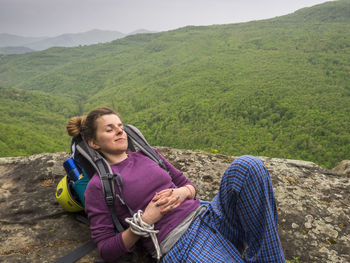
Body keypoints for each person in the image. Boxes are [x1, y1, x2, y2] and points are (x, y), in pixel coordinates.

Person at [66, 106, 285, 263]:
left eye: (121, 126)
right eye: (110, 129)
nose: (120, 131)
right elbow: (106, 248)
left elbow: (187, 184)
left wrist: (182, 193)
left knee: (248, 166)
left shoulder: (147, 154)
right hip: (180, 241)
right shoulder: (99, 186)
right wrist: (144, 221)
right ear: (94, 143)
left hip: (209, 215)